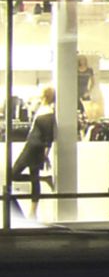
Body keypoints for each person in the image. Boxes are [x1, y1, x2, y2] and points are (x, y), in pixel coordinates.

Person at [7, 86, 57, 222]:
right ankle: (33, 212)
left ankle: (33, 211)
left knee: (13, 174)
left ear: (45, 96)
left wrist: (46, 153)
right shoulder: (43, 109)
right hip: (34, 146)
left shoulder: (47, 112)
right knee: (33, 178)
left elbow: (48, 136)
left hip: (34, 148)